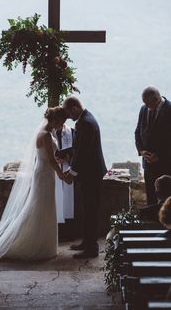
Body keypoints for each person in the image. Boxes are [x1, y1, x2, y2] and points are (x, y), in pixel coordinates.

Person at [0, 107, 67, 261]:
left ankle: (45, 244)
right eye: (62, 122)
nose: (62, 125)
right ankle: (36, 244)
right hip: (45, 174)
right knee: (41, 206)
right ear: (55, 120)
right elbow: (50, 160)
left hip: (45, 172)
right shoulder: (45, 134)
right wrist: (61, 174)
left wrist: (58, 163)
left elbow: (46, 156)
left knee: (44, 206)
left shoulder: (46, 132)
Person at [63, 96, 107, 259]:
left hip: (91, 174)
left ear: (74, 108)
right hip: (90, 173)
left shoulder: (85, 123)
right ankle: (87, 242)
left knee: (90, 211)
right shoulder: (87, 119)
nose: (68, 117)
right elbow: (78, 148)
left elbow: (83, 152)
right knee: (88, 210)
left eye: (68, 113)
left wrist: (72, 172)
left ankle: (91, 248)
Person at [135, 87, 171, 205]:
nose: (146, 107)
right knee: (151, 199)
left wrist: (159, 156)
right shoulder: (144, 109)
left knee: (166, 200)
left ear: (156, 99)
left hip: (165, 165)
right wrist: (142, 151)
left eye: (148, 103)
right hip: (148, 166)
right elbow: (137, 132)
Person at [54, 123, 74, 223]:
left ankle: (68, 229)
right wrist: (54, 159)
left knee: (67, 200)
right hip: (53, 171)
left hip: (66, 168)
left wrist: (67, 158)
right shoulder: (48, 134)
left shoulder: (71, 132)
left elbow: (76, 152)